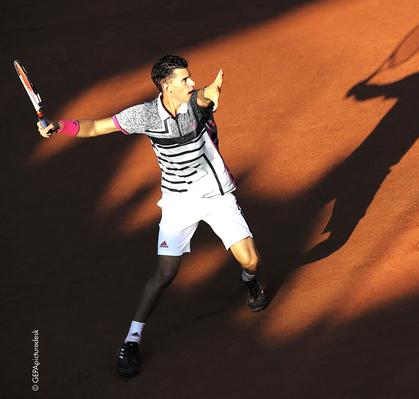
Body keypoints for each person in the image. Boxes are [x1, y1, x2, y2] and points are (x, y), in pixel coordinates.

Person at [37, 55, 268, 378]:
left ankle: (249, 282)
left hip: (216, 195)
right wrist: (58, 126)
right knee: (165, 273)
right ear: (165, 85)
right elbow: (96, 126)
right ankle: (131, 339)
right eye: (184, 79)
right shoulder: (143, 115)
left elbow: (203, 99)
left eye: (191, 79)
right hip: (178, 202)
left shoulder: (196, 105)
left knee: (251, 261)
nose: (191, 83)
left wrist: (208, 94)